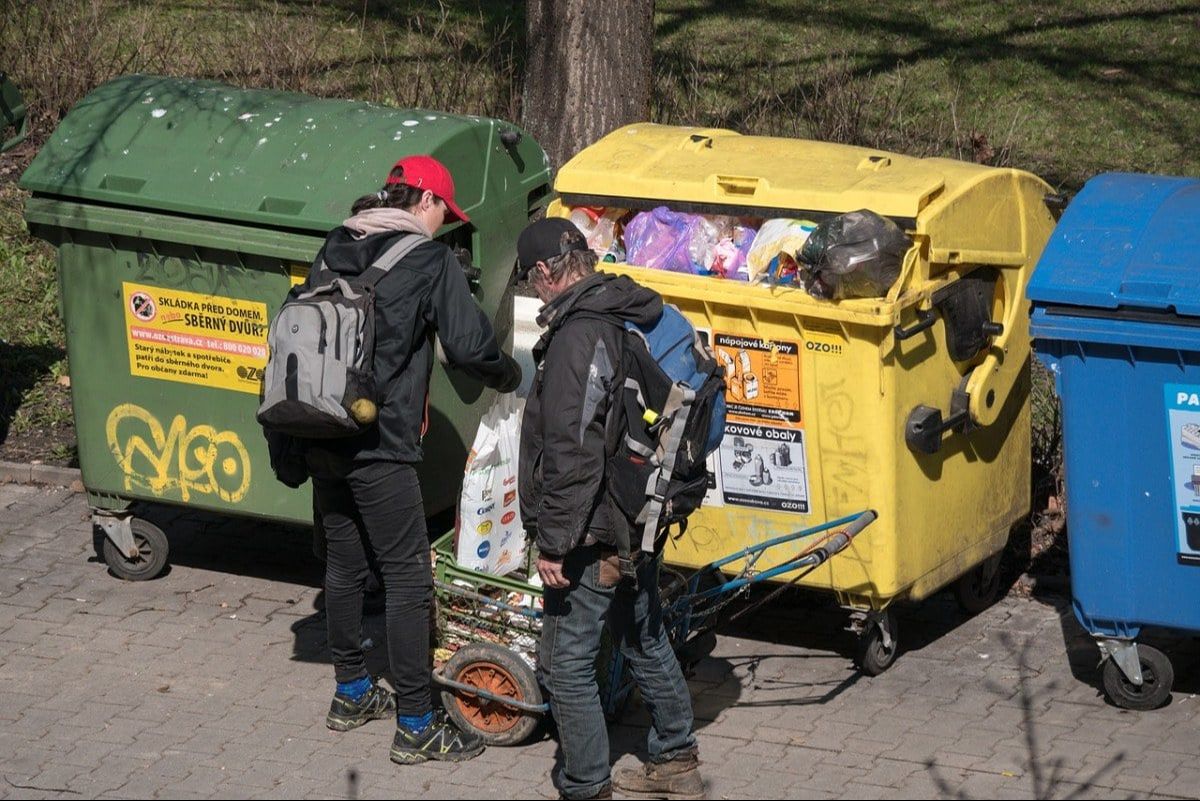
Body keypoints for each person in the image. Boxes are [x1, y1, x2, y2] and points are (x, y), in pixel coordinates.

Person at [305, 155, 521, 765]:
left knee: (347, 563)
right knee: (406, 577)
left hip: (320, 427)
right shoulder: (427, 260)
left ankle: (350, 693)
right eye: (444, 216)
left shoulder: (339, 239)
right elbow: (470, 345)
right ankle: (418, 723)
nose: (445, 229)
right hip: (380, 441)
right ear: (423, 202)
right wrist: (508, 373)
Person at [517, 217, 704, 800]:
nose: (533, 291)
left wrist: (554, 542)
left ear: (547, 271)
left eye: (530, 279)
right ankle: (675, 759)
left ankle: (587, 785)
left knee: (567, 666)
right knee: (641, 632)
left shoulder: (578, 335)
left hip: (592, 526)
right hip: (635, 507)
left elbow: (573, 448)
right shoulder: (619, 313)